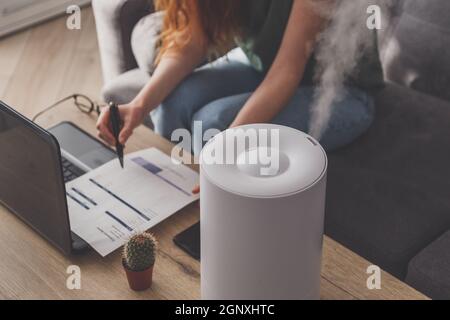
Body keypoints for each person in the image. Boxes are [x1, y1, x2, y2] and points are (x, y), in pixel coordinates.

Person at [96, 0, 383, 162]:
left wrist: (222, 153)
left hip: (340, 93)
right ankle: (174, 199)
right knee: (172, 103)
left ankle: (209, 212)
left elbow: (287, 70)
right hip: (262, 65)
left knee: (211, 126)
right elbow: (192, 42)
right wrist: (138, 105)